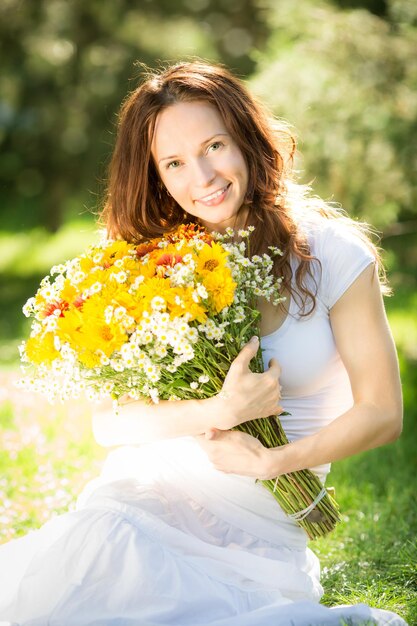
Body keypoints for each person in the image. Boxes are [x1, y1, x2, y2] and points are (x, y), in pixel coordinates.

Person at [0, 60, 406, 626]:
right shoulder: (150, 267)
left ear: (246, 138)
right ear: (155, 175)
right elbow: (110, 425)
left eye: (214, 145)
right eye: (173, 162)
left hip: (263, 530)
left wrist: (273, 462)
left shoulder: (332, 255)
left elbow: (383, 413)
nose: (202, 177)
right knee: (90, 577)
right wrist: (220, 410)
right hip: (151, 497)